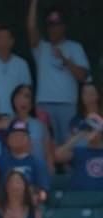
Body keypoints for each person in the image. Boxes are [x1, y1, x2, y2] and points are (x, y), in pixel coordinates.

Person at [27, 1, 90, 147]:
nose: (54, 29)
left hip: (67, 104)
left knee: (70, 145)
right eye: (51, 25)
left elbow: (83, 77)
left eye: (57, 25)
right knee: (45, 144)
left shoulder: (75, 47)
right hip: (44, 104)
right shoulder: (41, 47)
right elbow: (31, 28)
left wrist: (65, 60)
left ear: (64, 27)